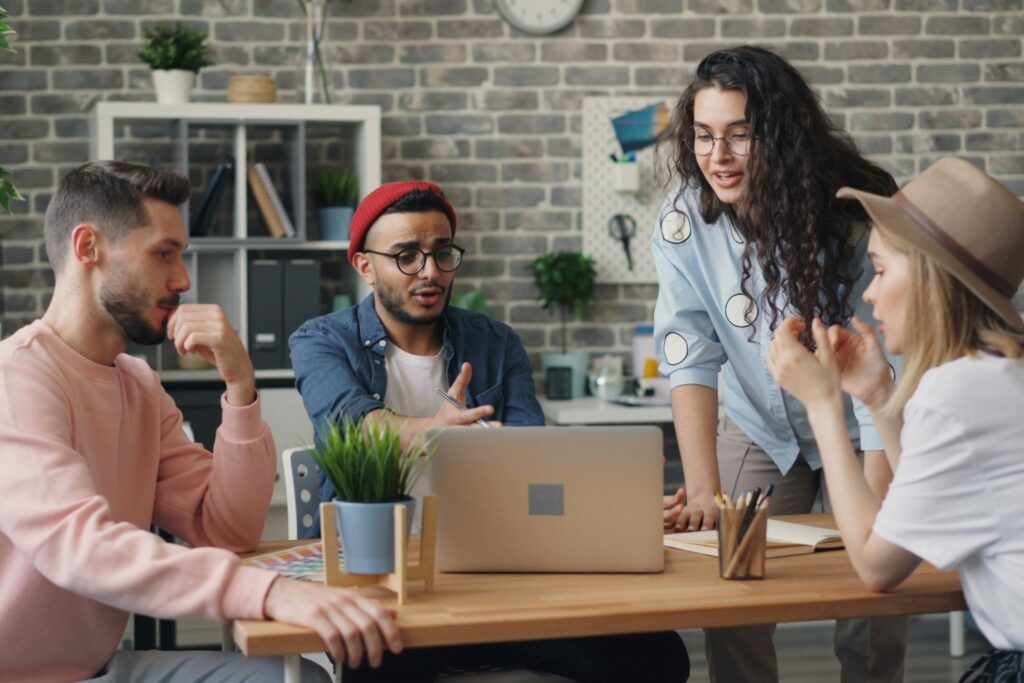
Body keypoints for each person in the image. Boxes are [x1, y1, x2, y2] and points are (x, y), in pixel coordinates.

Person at [0, 161, 401, 683]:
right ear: (88, 248)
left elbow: (226, 528)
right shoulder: (17, 377)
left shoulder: (139, 384)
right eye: (163, 254)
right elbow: (81, 547)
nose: (183, 279)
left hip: (96, 669)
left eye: (181, 256)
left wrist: (240, 385)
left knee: (296, 678)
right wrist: (269, 591)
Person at [291, 180, 690, 683]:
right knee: (380, 660)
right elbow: (350, 428)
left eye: (442, 253)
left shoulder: (497, 343)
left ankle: (473, 650)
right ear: (364, 265)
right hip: (380, 586)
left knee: (659, 655)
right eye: (407, 256)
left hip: (492, 580)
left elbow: (536, 469)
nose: (430, 271)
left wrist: (612, 511)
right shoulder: (321, 341)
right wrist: (436, 431)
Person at [653, 46, 908, 682]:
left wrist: (877, 487)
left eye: (740, 136)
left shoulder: (856, 213)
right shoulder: (685, 218)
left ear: (782, 137)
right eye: (705, 137)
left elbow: (883, 362)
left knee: (873, 595)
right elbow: (687, 350)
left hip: (858, 419)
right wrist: (705, 486)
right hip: (756, 424)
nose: (718, 157)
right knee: (733, 587)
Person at [769, 157, 1024, 680]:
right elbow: (930, 506)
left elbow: (878, 564)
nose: (868, 291)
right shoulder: (996, 375)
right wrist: (877, 395)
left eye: (881, 269)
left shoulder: (956, 392)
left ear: (932, 280)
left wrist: (821, 406)